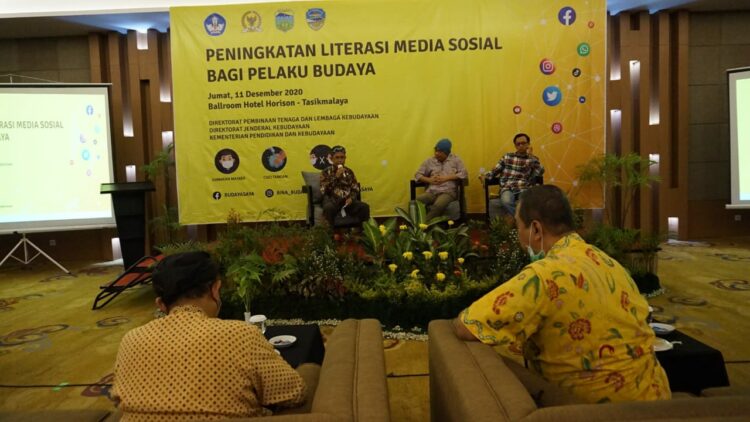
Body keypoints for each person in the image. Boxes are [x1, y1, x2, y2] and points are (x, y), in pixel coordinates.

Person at [453, 185, 671, 403]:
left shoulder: (543, 276)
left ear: (536, 230)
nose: (517, 236)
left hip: (601, 412)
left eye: (518, 226)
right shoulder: (609, 263)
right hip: (659, 403)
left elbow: (468, 325)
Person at [111, 252, 307, 420]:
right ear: (215, 289)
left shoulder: (130, 339)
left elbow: (118, 398)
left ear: (161, 304)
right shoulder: (241, 334)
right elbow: (295, 392)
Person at [484, 133, 544, 219]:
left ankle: (517, 220)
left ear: (528, 144)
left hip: (523, 188)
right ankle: (520, 220)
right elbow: (495, 170)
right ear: (515, 146)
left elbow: (540, 171)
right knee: (506, 201)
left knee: (525, 203)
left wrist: (531, 156)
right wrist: (485, 176)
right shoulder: (507, 157)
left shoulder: (532, 159)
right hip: (507, 188)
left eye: (523, 143)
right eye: (518, 144)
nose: (521, 146)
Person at [414, 138, 468, 221]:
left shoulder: (456, 160)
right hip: (432, 192)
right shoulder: (429, 161)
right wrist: (429, 180)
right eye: (436, 151)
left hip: (448, 192)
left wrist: (446, 178)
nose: (436, 153)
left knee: (438, 205)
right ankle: (415, 223)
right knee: (416, 201)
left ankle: (424, 225)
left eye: (440, 152)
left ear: (447, 153)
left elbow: (464, 173)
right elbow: (417, 175)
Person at [319, 145, 370, 226]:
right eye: (337, 157)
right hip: (332, 201)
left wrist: (351, 198)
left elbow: (355, 189)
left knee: (364, 207)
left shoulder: (349, 172)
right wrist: (336, 177)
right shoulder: (326, 172)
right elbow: (323, 190)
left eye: (342, 157)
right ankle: (329, 233)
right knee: (328, 208)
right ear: (332, 159)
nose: (340, 160)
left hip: (347, 201)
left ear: (345, 158)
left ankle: (363, 232)